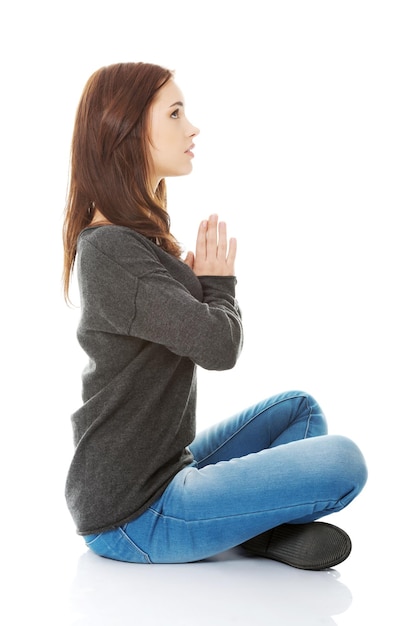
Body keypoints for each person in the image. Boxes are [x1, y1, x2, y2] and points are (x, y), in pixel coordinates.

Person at [62, 61, 367, 569]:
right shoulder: (110, 249)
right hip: (135, 514)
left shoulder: (129, 242)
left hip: (165, 468)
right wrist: (218, 285)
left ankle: (249, 527)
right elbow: (219, 348)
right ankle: (252, 526)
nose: (193, 127)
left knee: (300, 410)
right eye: (175, 113)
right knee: (344, 461)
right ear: (128, 130)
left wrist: (194, 289)